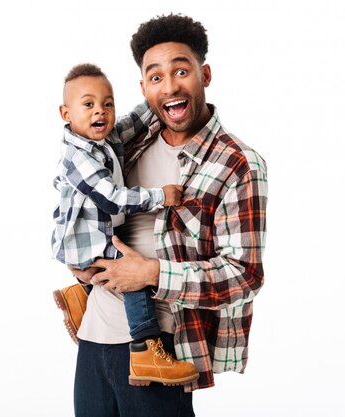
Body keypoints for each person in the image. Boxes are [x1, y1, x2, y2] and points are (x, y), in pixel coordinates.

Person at [69, 13, 268, 417]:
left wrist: (150, 273)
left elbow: (245, 275)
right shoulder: (128, 140)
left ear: (204, 74)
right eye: (156, 76)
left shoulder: (237, 164)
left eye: (182, 70)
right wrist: (79, 259)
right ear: (143, 88)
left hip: (160, 349)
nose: (171, 85)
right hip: (94, 338)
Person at [51, 63, 199, 387]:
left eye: (107, 103)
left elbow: (134, 121)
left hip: (96, 233)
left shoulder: (104, 138)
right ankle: (146, 349)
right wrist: (160, 196)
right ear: (66, 113)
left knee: (119, 268)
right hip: (84, 240)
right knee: (132, 273)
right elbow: (113, 199)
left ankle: (81, 297)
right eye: (88, 104)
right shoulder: (78, 157)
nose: (100, 111)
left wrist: (159, 94)